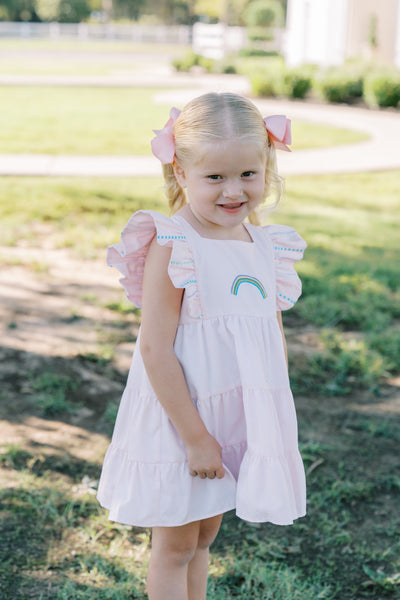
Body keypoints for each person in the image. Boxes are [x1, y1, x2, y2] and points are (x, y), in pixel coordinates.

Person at [97, 92, 307, 600]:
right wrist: (195, 437)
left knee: (204, 536)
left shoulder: (263, 246)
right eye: (215, 177)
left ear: (266, 168)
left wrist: (268, 420)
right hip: (182, 421)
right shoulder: (175, 245)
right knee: (174, 544)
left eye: (247, 175)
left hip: (233, 416)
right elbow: (154, 350)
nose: (233, 191)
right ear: (180, 173)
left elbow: (269, 333)